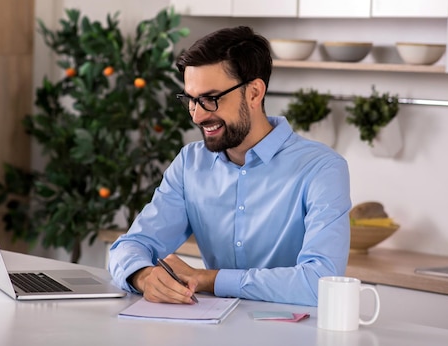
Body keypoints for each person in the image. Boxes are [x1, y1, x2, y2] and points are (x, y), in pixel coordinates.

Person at [108, 26, 351, 306]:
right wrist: (143, 275)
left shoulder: (321, 169)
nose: (198, 115)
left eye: (210, 99)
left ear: (254, 92)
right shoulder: (190, 164)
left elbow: (321, 283)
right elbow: (130, 246)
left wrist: (209, 279)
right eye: (191, 100)